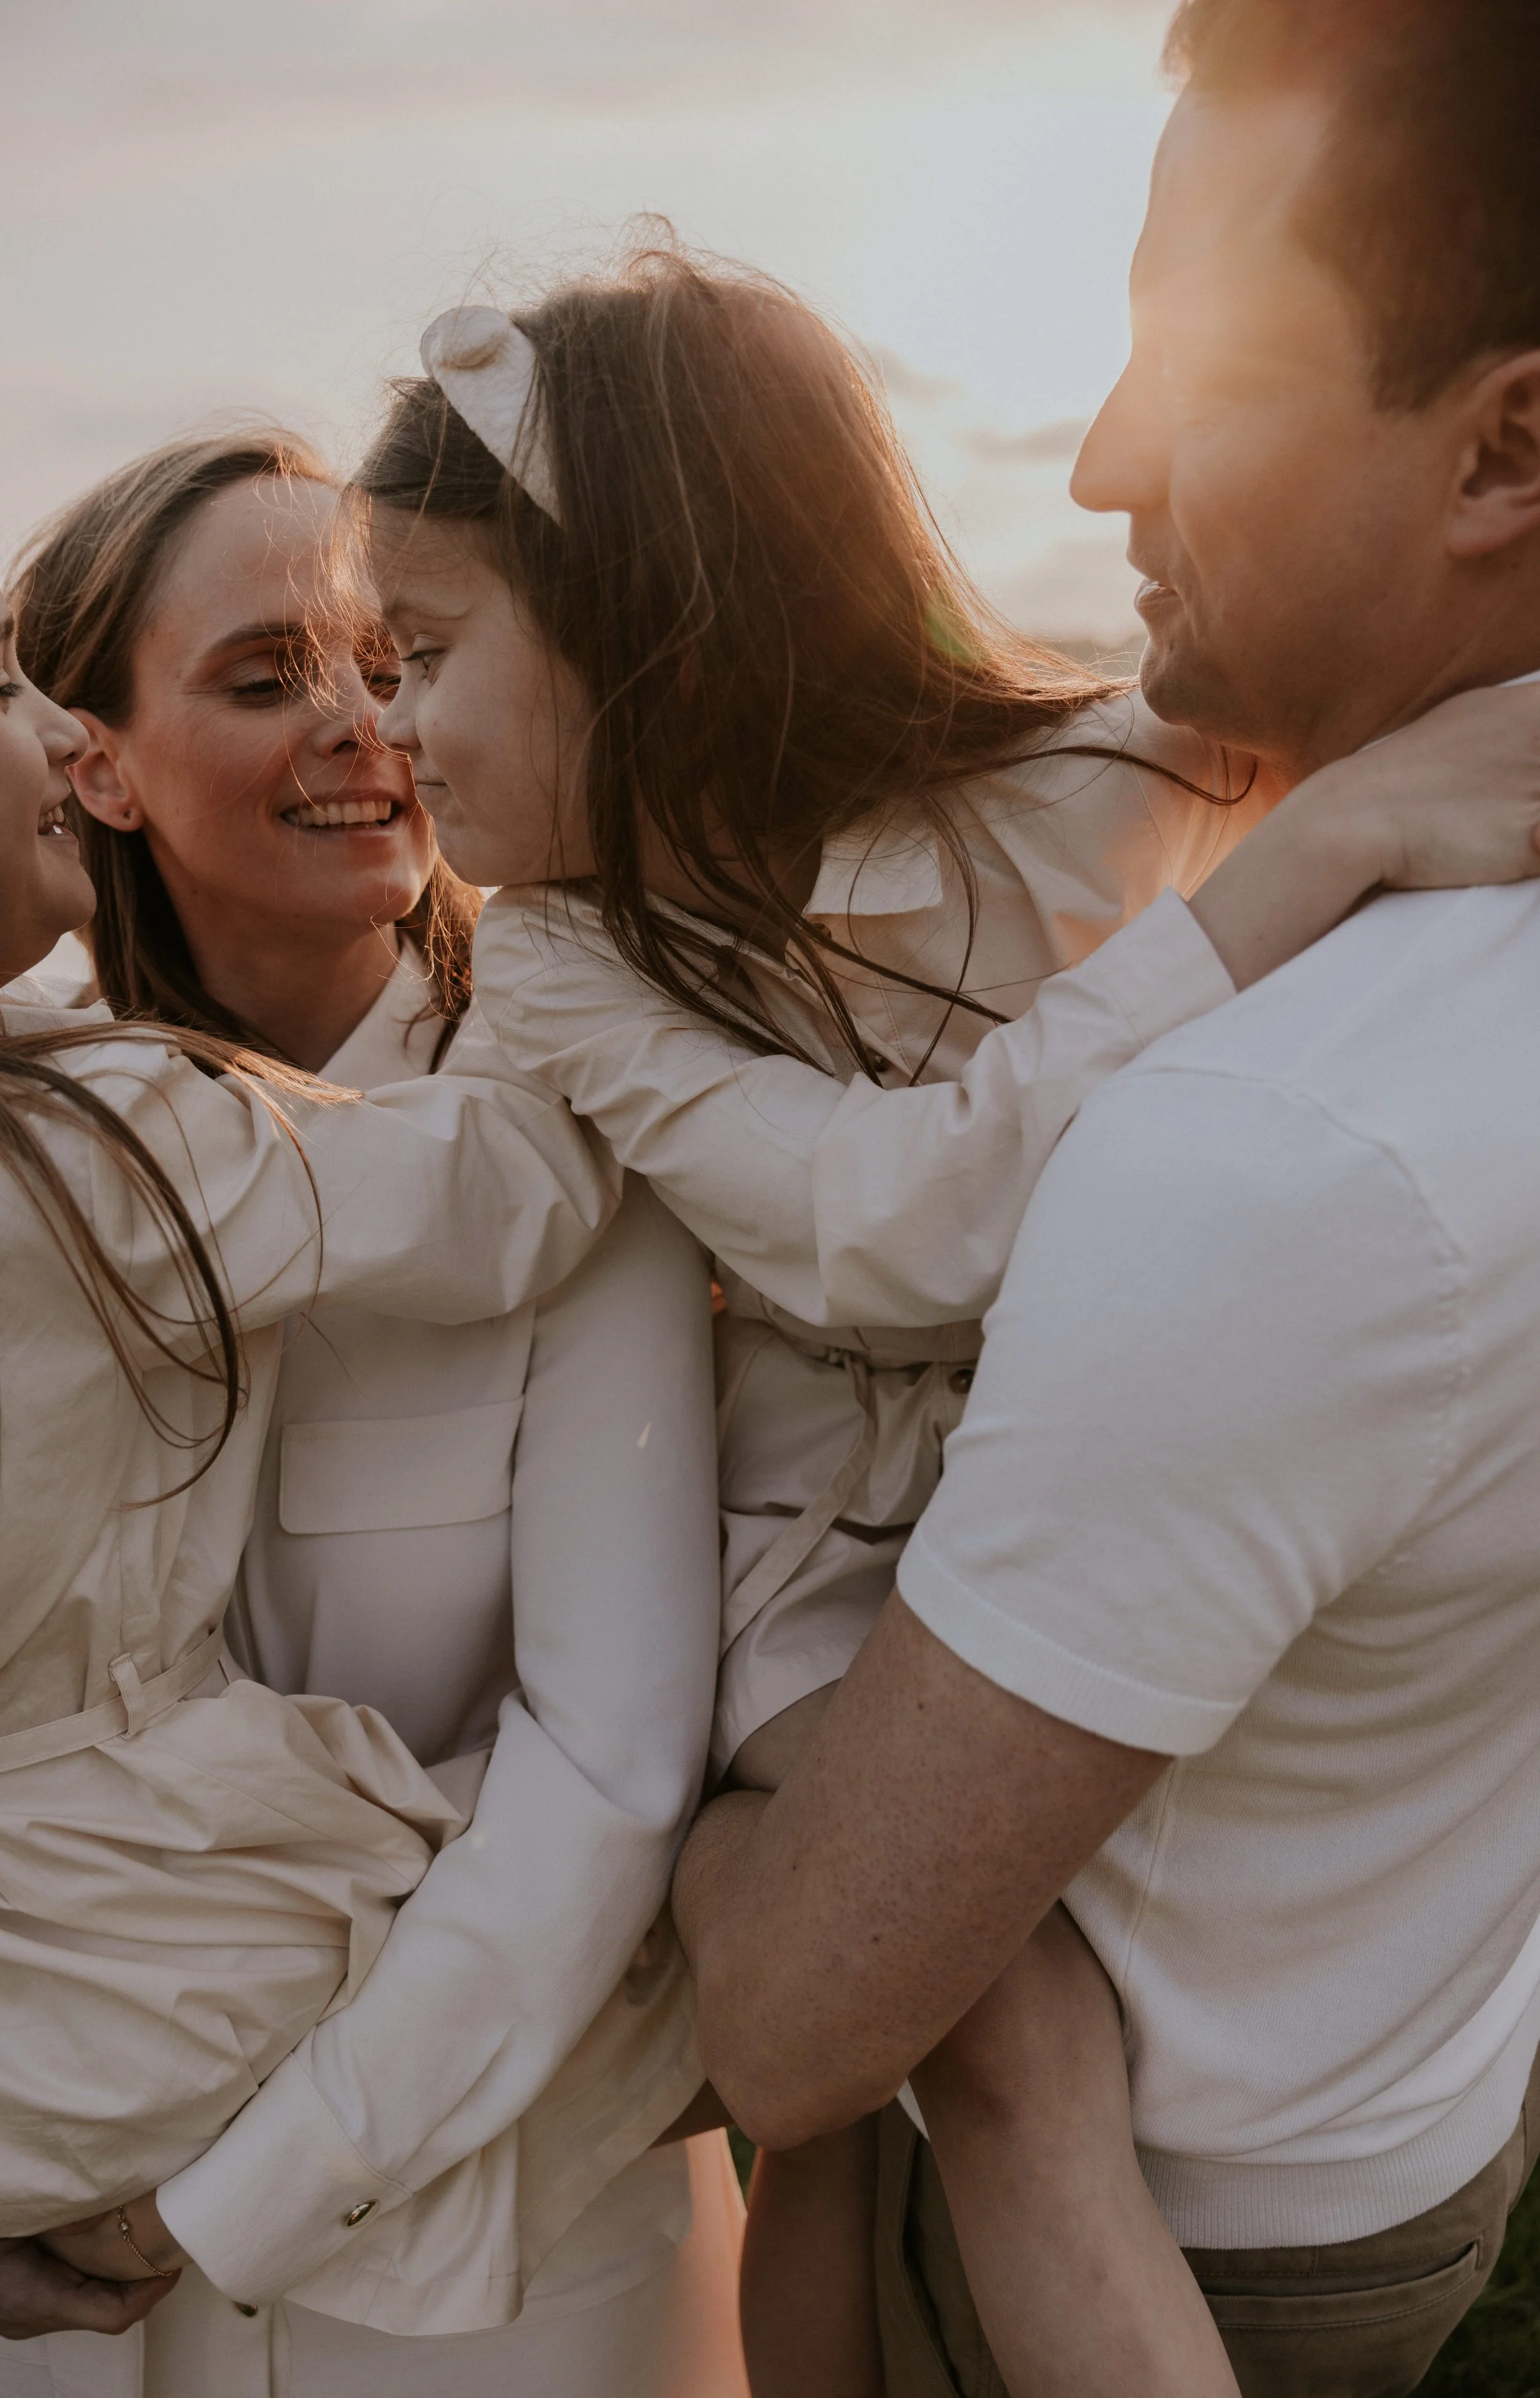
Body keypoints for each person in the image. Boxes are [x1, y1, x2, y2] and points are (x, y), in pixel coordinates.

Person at [352, 250, 1540, 2394]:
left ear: (651, 613)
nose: (393, 726)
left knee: (939, 2051)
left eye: (427, 651)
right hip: (801, 1551)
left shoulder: (1100, 774)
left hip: (1042, 1491)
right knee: (982, 2026)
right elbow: (876, 1232)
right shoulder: (552, 954)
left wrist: (1357, 800)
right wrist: (1324, 846)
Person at [669, 4, 1540, 2394]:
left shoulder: (1269, 1159)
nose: (1096, 456)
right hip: (1405, 2092)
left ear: (1508, 441)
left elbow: (794, 2014)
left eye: (1203, 366)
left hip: (1171, 2238)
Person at [0, 491, 726, 2396]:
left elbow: (607, 1774)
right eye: (268, 672)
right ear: (104, 762)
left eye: (396, 663)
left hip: (477, 2280)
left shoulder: (574, 1132)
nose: (366, 723)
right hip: (20, 2282)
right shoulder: (68, 1129)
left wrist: (235, 2197)